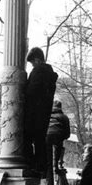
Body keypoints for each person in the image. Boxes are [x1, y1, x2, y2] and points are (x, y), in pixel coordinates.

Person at [24, 47, 58, 177]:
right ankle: (41, 167)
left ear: (37, 60)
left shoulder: (38, 72)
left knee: (27, 137)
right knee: (39, 140)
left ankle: (33, 165)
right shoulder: (49, 74)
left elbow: (31, 92)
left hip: (34, 112)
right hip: (43, 113)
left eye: (32, 62)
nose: (32, 65)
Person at [41, 100, 71, 185]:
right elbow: (67, 134)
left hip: (46, 137)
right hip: (58, 137)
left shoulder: (45, 115)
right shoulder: (64, 117)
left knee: (48, 164)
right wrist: (61, 136)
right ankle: (58, 164)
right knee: (60, 146)